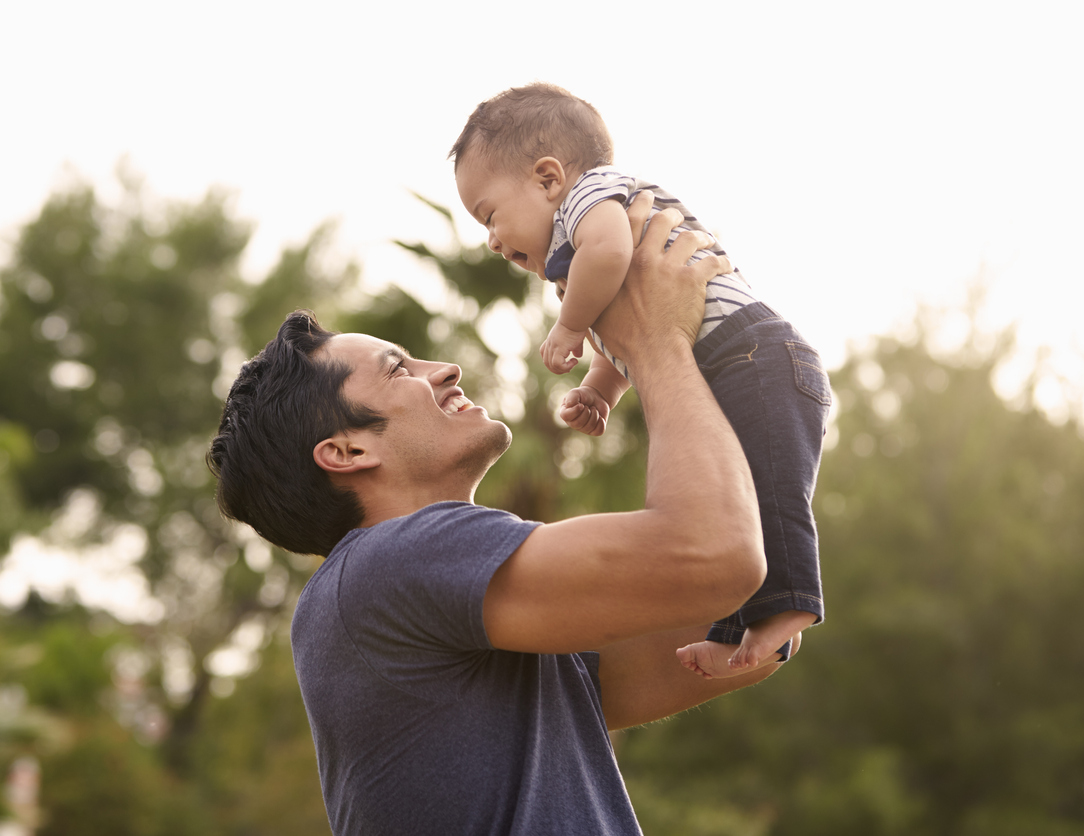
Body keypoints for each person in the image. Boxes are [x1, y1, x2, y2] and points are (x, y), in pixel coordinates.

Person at [206, 197, 799, 835]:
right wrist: (655, 341)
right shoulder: (394, 561)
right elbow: (717, 556)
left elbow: (744, 624)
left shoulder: (447, 613)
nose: (445, 369)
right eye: (399, 369)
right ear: (348, 451)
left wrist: (731, 358)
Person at [451, 82, 831, 678]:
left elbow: (610, 255)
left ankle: (789, 610)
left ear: (549, 178)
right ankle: (739, 629)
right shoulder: (573, 244)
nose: (492, 240)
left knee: (770, 491)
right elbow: (626, 332)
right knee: (732, 504)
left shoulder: (590, 199)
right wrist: (602, 387)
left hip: (754, 354)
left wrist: (569, 328)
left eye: (490, 215)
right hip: (729, 362)